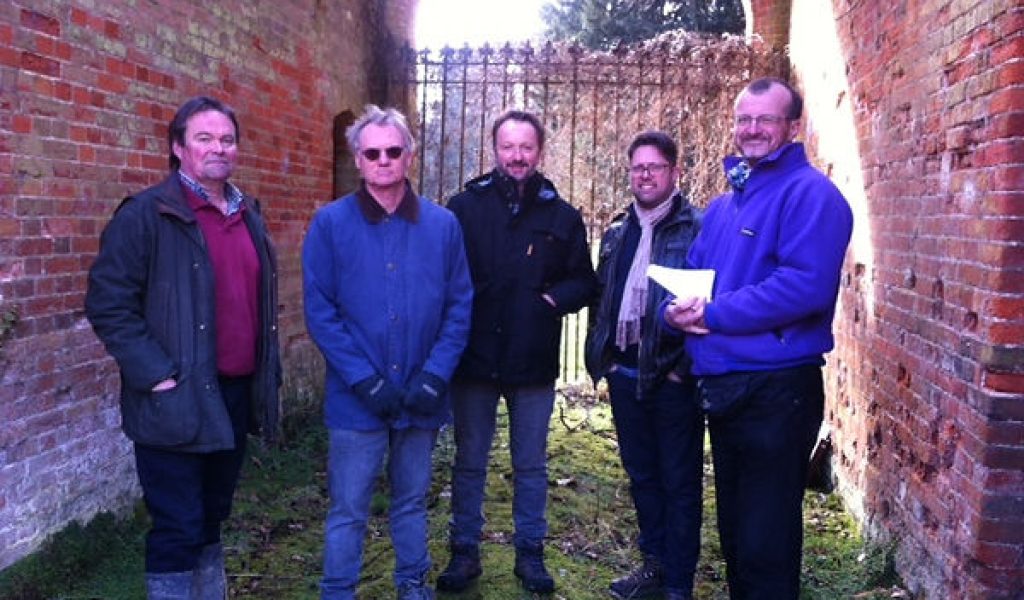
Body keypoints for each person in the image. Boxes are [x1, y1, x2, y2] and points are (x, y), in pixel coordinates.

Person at [663, 77, 854, 599]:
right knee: (738, 541)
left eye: (765, 120)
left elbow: (804, 287)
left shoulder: (813, 195)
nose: (752, 129)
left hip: (776, 391)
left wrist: (717, 314)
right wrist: (673, 312)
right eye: (744, 119)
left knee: (766, 545)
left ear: (792, 127)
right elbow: (694, 275)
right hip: (723, 389)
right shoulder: (726, 206)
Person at [85, 96, 281, 599]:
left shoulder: (247, 214)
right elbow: (109, 303)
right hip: (173, 398)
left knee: (213, 517)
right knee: (177, 525)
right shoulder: (148, 215)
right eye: (204, 138)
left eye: (227, 139)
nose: (219, 148)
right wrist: (156, 374)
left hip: (234, 395)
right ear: (178, 147)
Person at [302, 105, 472, 600]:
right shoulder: (330, 224)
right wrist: (364, 380)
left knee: (412, 502)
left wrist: (434, 377)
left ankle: (413, 586)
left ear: (409, 156)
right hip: (357, 400)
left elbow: (460, 306)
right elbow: (321, 311)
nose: (383, 160)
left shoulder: (443, 226)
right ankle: (338, 591)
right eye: (372, 152)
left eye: (393, 151)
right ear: (357, 159)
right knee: (349, 507)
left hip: (422, 395)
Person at [438, 109, 597, 594]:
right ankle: (464, 553)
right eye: (509, 147)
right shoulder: (464, 208)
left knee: (530, 463)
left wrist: (549, 301)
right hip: (475, 359)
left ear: (540, 151)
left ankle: (531, 555)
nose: (517, 156)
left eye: (526, 147)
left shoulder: (561, 215)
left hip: (532, 362)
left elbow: (585, 281)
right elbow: (445, 277)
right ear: (495, 149)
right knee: (469, 460)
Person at [584, 131, 703, 600]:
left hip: (673, 378)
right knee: (643, 476)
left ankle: (678, 582)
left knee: (680, 481)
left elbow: (706, 301)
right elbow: (602, 301)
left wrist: (684, 370)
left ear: (675, 172)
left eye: (655, 167)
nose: (645, 175)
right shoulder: (617, 232)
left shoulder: (696, 227)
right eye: (638, 168)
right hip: (626, 375)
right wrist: (607, 361)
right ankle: (653, 566)